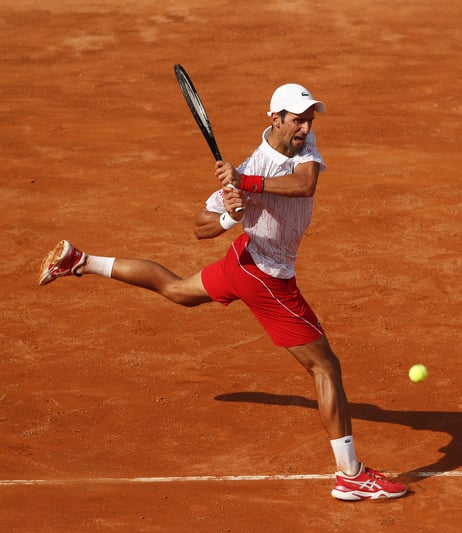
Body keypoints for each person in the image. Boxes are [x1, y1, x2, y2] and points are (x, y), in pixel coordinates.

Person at [38, 83, 407, 501]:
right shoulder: (253, 163)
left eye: (309, 118)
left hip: (241, 263)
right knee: (325, 368)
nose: (306, 127)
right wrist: (231, 217)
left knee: (178, 290)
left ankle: (80, 261)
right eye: (297, 119)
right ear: (275, 119)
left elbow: (304, 185)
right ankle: (351, 475)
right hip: (266, 277)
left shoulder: (296, 149)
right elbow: (200, 226)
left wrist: (246, 185)